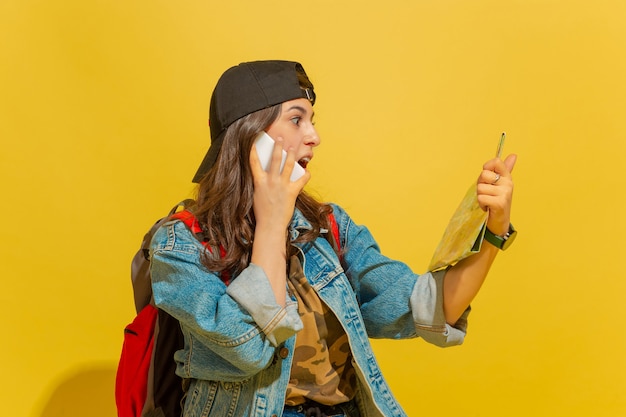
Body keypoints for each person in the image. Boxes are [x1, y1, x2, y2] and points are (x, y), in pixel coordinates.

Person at [149, 60, 517, 417]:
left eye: (312, 120)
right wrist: (272, 222)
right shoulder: (181, 244)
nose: (314, 136)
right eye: (296, 119)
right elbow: (248, 349)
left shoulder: (326, 225)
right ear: (251, 136)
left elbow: (429, 307)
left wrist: (492, 232)